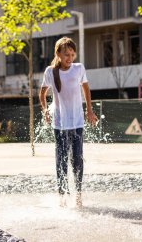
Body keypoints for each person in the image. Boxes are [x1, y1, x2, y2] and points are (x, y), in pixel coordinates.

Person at [39, 37, 98, 208]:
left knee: (77, 159)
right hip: (60, 124)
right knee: (62, 159)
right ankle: (62, 196)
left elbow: (86, 89)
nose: (70, 58)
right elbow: (42, 94)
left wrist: (89, 110)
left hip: (77, 122)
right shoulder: (50, 72)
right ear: (58, 54)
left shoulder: (79, 69)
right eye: (66, 54)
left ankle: (78, 195)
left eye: (72, 54)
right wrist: (45, 111)